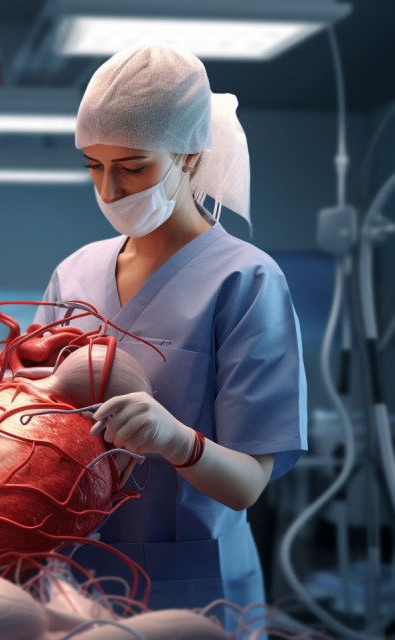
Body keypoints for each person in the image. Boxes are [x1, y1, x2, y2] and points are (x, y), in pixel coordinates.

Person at [33, 43, 307, 627]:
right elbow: (31, 425)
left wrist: (178, 441)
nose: (109, 190)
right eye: (93, 165)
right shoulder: (74, 273)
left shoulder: (244, 281)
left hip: (196, 590)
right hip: (74, 579)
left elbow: (248, 485)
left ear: (188, 156)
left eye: (132, 167)